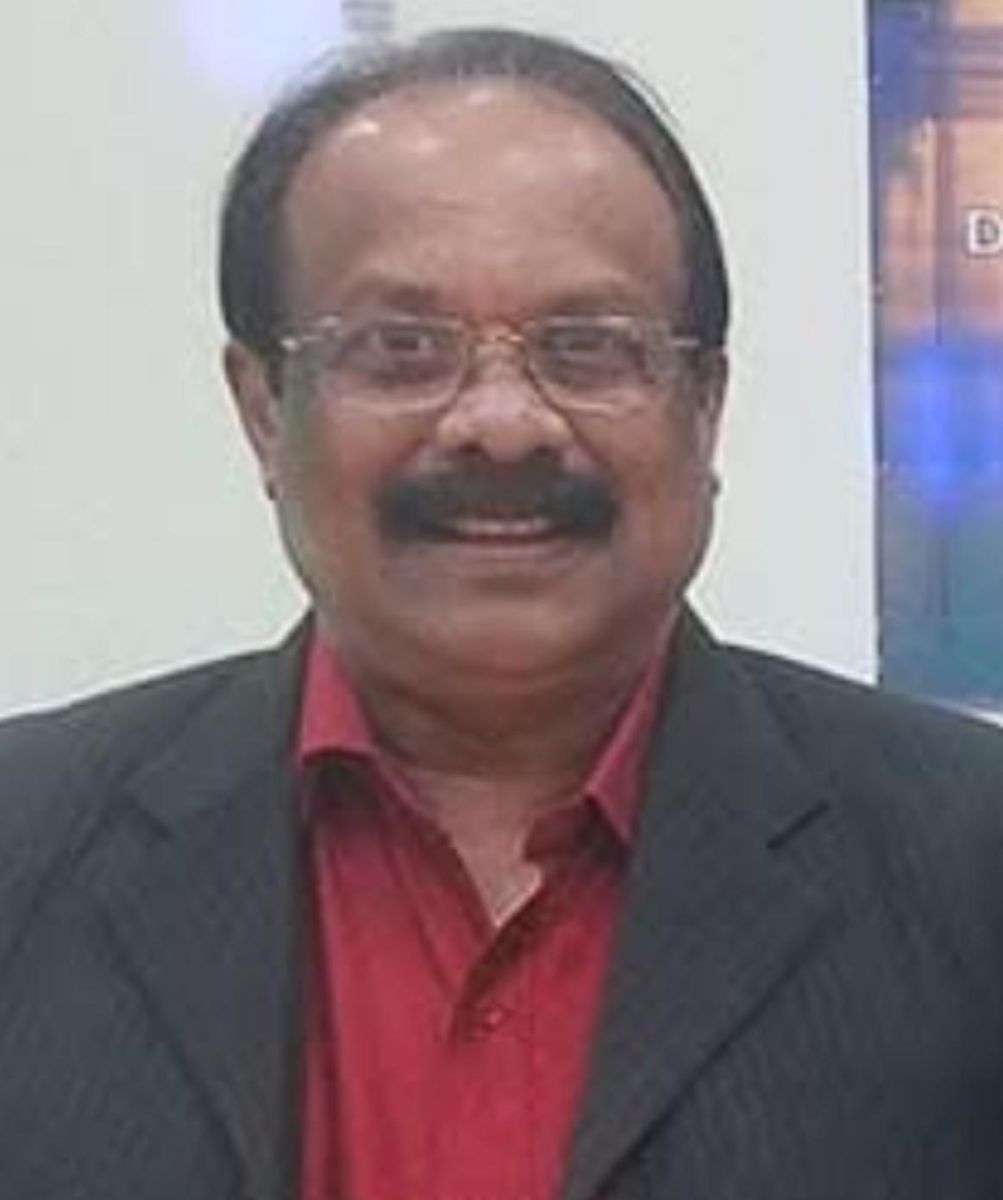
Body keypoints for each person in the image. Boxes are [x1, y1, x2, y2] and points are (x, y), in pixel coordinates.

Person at [1, 25, 1003, 1200]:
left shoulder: (967, 862)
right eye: (400, 348)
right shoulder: (26, 842)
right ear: (265, 409)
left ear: (704, 408)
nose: (501, 422)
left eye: (588, 347)